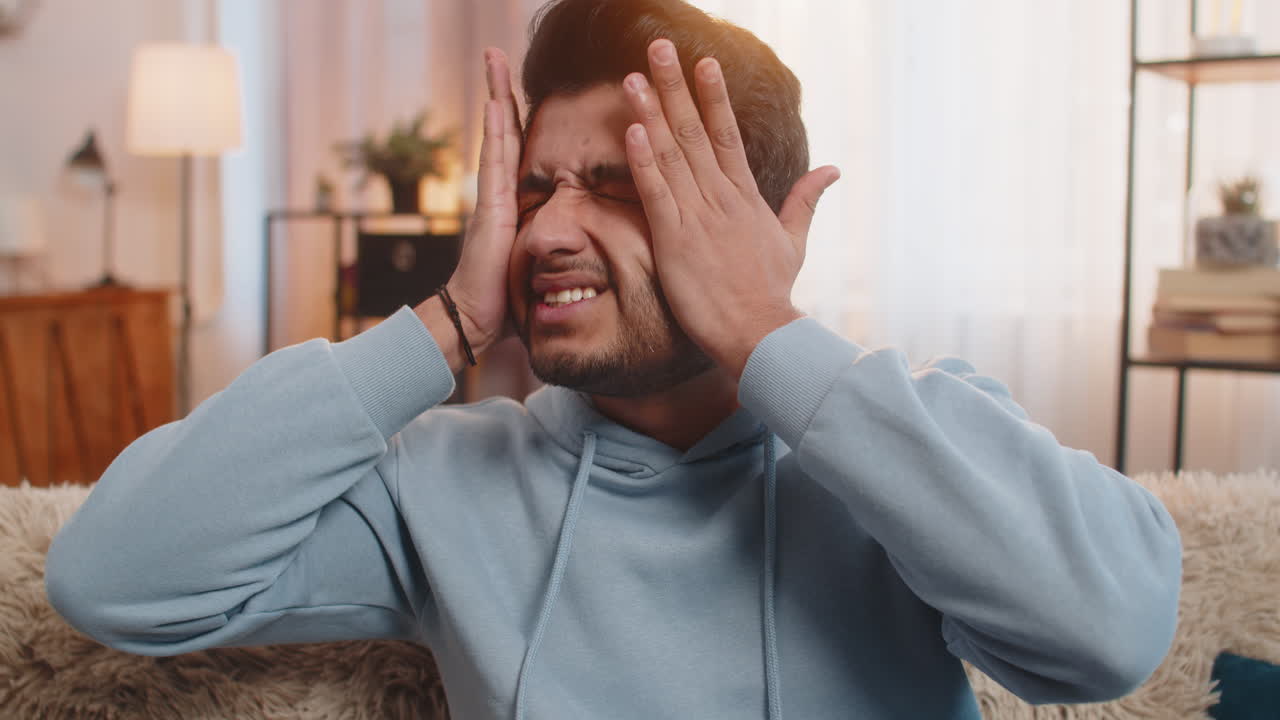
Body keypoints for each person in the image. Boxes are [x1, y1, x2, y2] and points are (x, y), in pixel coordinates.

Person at [45, 0, 1182, 717]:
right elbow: (115, 579)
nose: (541, 232)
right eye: (532, 188)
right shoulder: (445, 484)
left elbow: (1106, 637)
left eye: (622, 187)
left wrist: (767, 336)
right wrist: (442, 324)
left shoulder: (905, 441)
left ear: (772, 225)